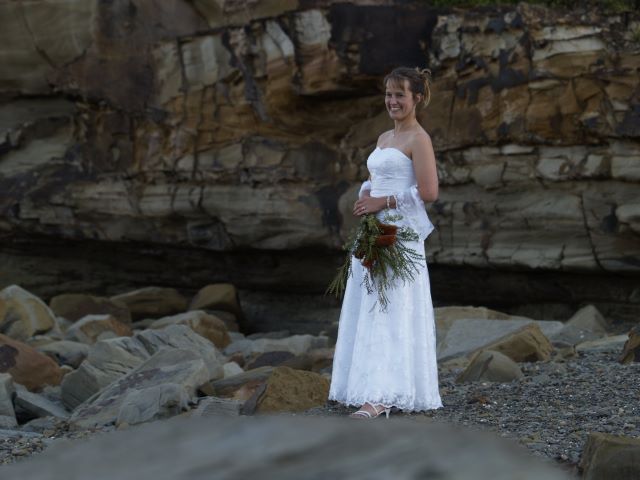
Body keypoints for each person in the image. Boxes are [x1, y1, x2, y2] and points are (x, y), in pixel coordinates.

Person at [328, 66, 443, 418]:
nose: (392, 101)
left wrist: (384, 201)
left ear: (416, 98)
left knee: (391, 309)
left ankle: (381, 397)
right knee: (369, 306)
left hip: (400, 236)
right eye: (389, 94)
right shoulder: (383, 138)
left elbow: (429, 192)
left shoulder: (419, 139)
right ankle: (363, 386)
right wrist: (367, 195)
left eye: (400, 95)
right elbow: (377, 178)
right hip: (374, 232)